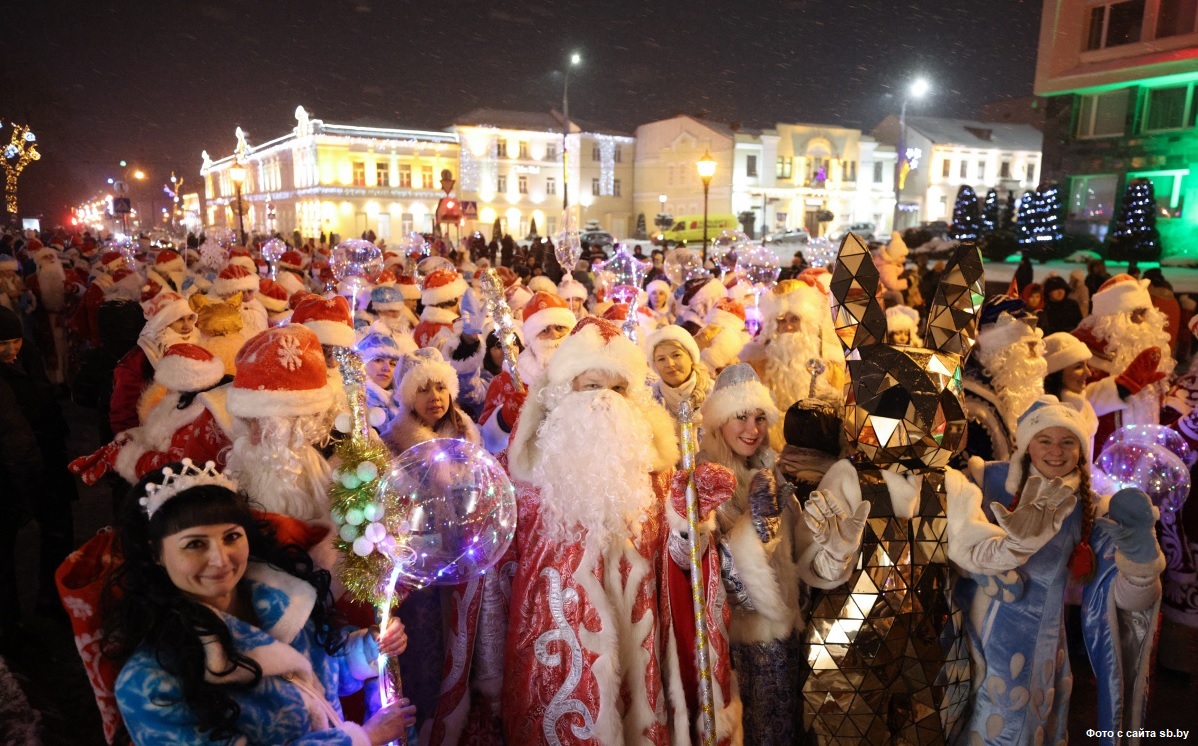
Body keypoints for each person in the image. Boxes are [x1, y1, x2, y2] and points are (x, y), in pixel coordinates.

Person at [495, 317, 738, 744]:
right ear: (563, 392)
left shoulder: (658, 476)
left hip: (636, 658)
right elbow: (490, 582)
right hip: (552, 660)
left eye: (618, 389)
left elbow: (682, 571)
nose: (605, 400)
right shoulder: (524, 478)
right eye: (591, 387)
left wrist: (691, 523)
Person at [106, 462, 416, 744]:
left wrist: (369, 650)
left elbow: (318, 677)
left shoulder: (284, 599)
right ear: (156, 553)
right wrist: (362, 739)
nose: (220, 559)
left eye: (230, 537)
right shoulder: (150, 681)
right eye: (195, 544)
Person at [956, 398, 1163, 744]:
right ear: (1027, 443)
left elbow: (1125, 601)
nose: (1056, 451)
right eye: (1045, 440)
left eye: (1067, 441)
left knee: (1012, 731)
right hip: (967, 634)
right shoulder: (985, 480)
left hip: (1033, 647)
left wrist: (1141, 562)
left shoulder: (1092, 508)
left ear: (1080, 450)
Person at [697, 364, 808, 744]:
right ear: (719, 420)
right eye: (740, 417)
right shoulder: (705, 477)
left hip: (785, 630)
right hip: (740, 641)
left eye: (760, 418)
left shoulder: (770, 467)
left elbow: (792, 554)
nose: (752, 429)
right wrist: (756, 528)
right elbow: (708, 570)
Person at [379, 348, 484, 741]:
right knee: (425, 648)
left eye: (441, 386)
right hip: (419, 567)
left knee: (464, 643)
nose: (434, 397)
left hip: (468, 558)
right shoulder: (394, 443)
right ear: (408, 397)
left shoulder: (467, 435)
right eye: (423, 389)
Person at [0, 305, 76, 640]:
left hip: (44, 458)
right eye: (1, 343)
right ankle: (7, 618)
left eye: (14, 340)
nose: (9, 349)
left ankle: (53, 598)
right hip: (8, 467)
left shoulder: (28, 357)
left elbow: (44, 403)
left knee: (58, 531)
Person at [225, 325, 336, 521]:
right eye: (248, 423)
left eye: (264, 426)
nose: (252, 436)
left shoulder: (337, 466)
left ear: (298, 427)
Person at [740, 277, 845, 449]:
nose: (788, 327)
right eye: (782, 321)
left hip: (819, 448)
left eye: (794, 319)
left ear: (807, 323)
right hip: (765, 447)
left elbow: (839, 413)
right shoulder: (755, 363)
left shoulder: (831, 363)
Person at [478, 292, 575, 454]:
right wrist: (503, 420)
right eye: (544, 330)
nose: (554, 335)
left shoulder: (588, 373)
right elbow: (485, 444)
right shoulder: (506, 381)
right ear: (532, 337)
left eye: (560, 328)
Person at [960, 297, 1047, 463]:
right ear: (1002, 354)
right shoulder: (974, 410)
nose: (1038, 359)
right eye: (1029, 348)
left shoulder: (1007, 396)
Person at [647, 324, 711, 426]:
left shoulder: (715, 393)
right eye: (661, 359)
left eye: (676, 355)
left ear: (691, 357)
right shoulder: (649, 400)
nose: (670, 364)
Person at [355, 332, 407, 426]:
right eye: (378, 360)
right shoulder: (355, 403)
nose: (386, 368)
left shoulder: (401, 404)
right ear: (362, 363)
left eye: (392, 363)